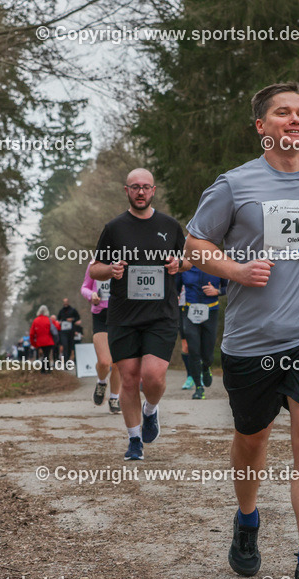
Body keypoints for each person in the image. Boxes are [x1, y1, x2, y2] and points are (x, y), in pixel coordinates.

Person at [185, 82, 299, 579]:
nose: (295, 120)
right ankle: (247, 517)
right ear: (262, 127)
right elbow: (195, 245)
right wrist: (235, 269)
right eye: (283, 113)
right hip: (251, 339)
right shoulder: (235, 185)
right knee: (252, 440)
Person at [88, 167, 190, 461]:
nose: (141, 192)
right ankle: (134, 441)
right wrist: (111, 269)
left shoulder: (169, 225)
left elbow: (189, 261)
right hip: (124, 315)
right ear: (127, 191)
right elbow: (95, 268)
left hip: (161, 314)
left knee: (153, 377)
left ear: (154, 190)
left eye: (146, 187)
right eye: (135, 187)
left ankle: (151, 410)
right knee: (130, 380)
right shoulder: (114, 228)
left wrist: (177, 264)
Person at [179, 266, 227, 399]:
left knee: (208, 355)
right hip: (189, 312)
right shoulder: (186, 265)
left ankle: (206, 367)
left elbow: (228, 287)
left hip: (210, 312)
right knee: (193, 350)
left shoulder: (216, 263)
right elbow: (174, 288)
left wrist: (217, 291)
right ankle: (198, 388)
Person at [81, 261, 122, 413]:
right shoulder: (95, 263)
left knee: (118, 362)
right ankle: (101, 382)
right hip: (101, 316)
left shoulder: (126, 260)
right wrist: (90, 295)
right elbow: (84, 287)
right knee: (105, 362)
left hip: (121, 316)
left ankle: (114, 397)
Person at [29, 306, 57, 373]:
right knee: (46, 354)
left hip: (40, 342)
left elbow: (32, 334)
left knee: (45, 355)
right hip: (49, 341)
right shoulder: (49, 320)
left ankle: (44, 369)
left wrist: (34, 343)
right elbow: (55, 329)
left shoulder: (35, 320)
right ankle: (46, 369)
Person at [57, 297, 80, 362]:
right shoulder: (61, 311)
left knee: (70, 346)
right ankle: (66, 361)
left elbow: (78, 317)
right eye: (64, 302)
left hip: (71, 331)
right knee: (65, 346)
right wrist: (60, 322)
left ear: (68, 302)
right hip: (63, 331)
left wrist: (72, 319)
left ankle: (68, 359)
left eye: (66, 302)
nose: (65, 303)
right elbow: (58, 319)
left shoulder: (73, 310)